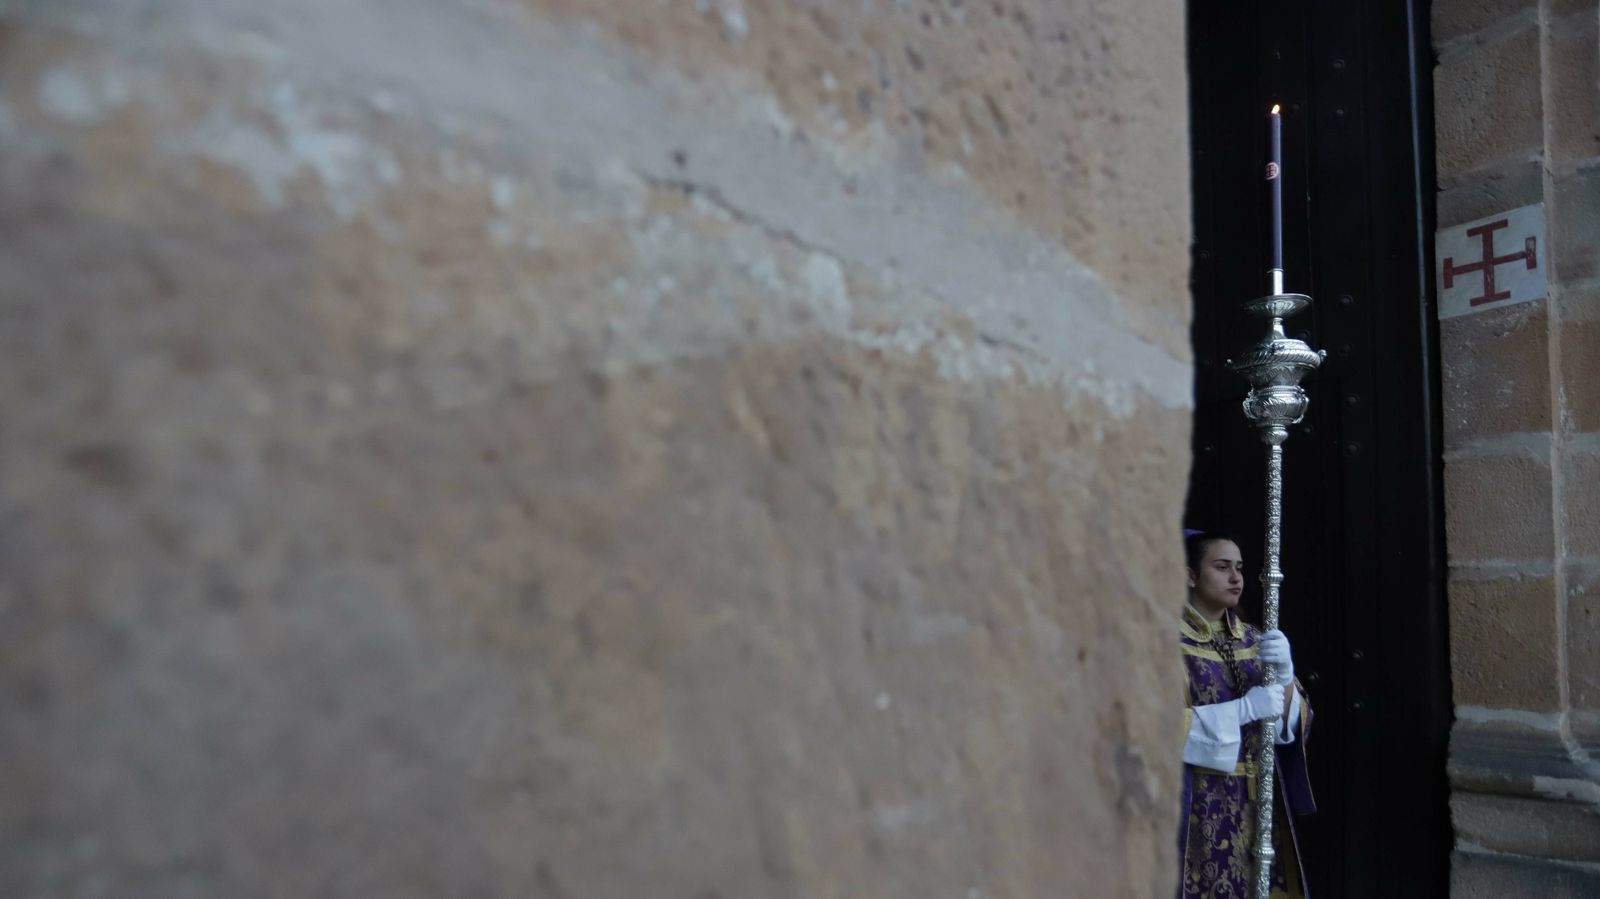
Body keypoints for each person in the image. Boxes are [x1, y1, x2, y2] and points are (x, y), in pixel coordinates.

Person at [1178, 531, 1315, 898]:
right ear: (1191, 575)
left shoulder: (1257, 640)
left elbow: (1294, 725)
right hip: (1200, 805)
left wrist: (1286, 677)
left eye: (1239, 568)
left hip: (1260, 803)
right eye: (1222, 567)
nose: (1236, 578)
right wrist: (1242, 710)